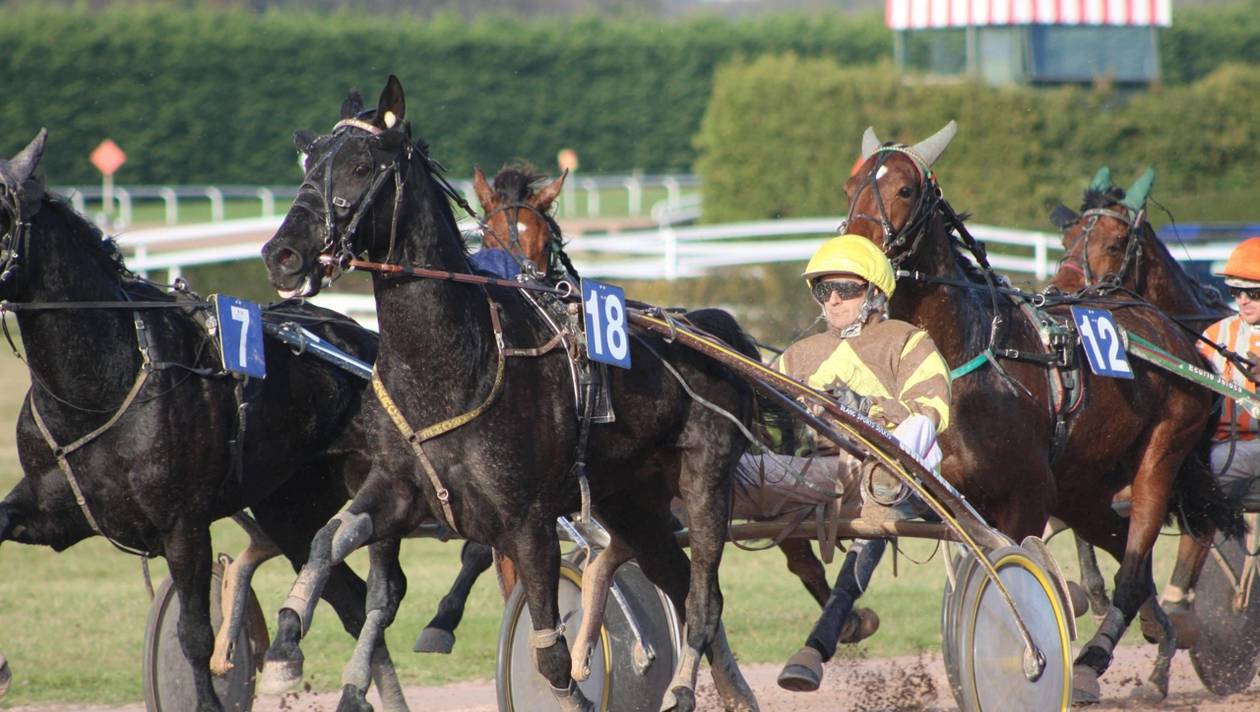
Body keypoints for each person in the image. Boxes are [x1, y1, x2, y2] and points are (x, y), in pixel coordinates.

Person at [728, 234, 951, 692]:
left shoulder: (907, 341)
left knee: (872, 482)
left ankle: (821, 639)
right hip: (807, 475)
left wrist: (873, 425)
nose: (832, 299)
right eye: (823, 290)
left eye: (845, 290)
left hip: (884, 472)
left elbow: (932, 411)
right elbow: (765, 424)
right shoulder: (799, 354)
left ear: (873, 293)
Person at [1198, 236, 1260, 504]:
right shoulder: (1215, 334)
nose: (1243, 300)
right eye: (1236, 292)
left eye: (1254, 293)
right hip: (1223, 446)